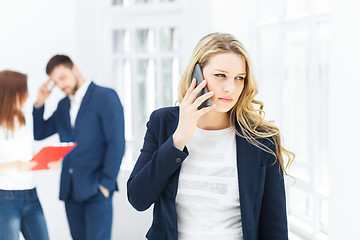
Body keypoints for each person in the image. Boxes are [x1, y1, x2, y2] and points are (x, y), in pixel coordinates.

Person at [127, 33, 294, 240]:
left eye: (239, 78)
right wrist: (178, 139)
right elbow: (138, 198)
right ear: (196, 75)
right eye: (220, 75)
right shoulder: (163, 122)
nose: (230, 88)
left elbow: (274, 226)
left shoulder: (262, 139)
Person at [33, 55, 125, 240]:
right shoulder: (62, 105)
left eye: (62, 78)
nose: (60, 85)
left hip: (97, 190)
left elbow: (116, 143)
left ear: (75, 69)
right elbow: (39, 132)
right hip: (71, 191)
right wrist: (40, 102)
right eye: (55, 82)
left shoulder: (105, 96)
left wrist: (105, 185)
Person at [0, 70, 49, 240]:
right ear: (12, 92)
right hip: (5, 197)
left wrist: (48, 161)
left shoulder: (24, 118)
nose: (27, 95)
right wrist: (16, 164)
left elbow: (29, 154)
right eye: (24, 90)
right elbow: (16, 161)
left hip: (31, 194)